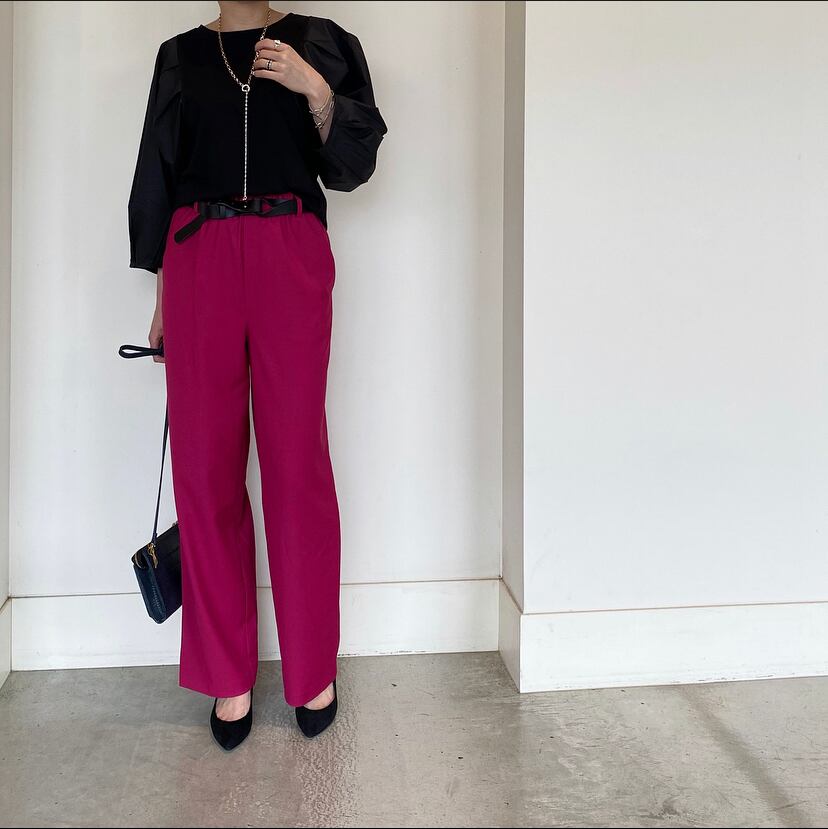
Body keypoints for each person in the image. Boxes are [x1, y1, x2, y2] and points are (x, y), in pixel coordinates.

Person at [127, 1, 387, 750]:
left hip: (289, 251)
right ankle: (227, 672)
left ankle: (312, 669)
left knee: (296, 464)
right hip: (199, 259)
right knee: (205, 468)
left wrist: (315, 89)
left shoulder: (322, 42)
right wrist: (164, 296)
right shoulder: (179, 56)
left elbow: (353, 166)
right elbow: (161, 174)